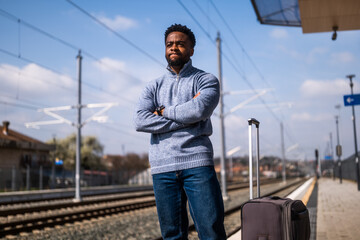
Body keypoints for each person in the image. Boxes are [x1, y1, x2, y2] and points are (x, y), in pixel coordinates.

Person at [134, 23, 226, 240]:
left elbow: (200, 109)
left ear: (191, 50)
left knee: (211, 231)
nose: (174, 48)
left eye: (180, 44)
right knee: (172, 235)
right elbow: (140, 120)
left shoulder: (206, 80)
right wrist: (188, 118)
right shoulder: (152, 87)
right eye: (169, 44)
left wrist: (162, 111)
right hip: (162, 167)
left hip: (197, 164)